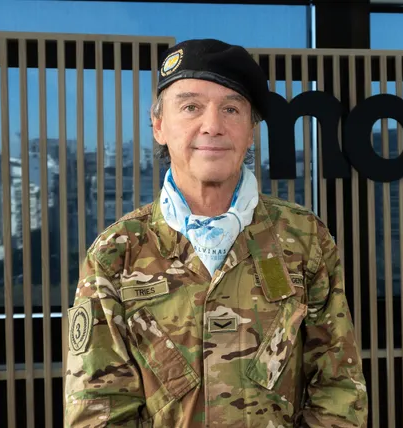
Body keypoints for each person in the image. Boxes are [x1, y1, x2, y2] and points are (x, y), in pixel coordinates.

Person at [63, 38, 369, 427]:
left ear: (251, 131)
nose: (213, 126)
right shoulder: (116, 253)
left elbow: (339, 389)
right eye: (191, 107)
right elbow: (97, 410)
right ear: (158, 125)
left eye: (231, 109)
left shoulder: (304, 238)